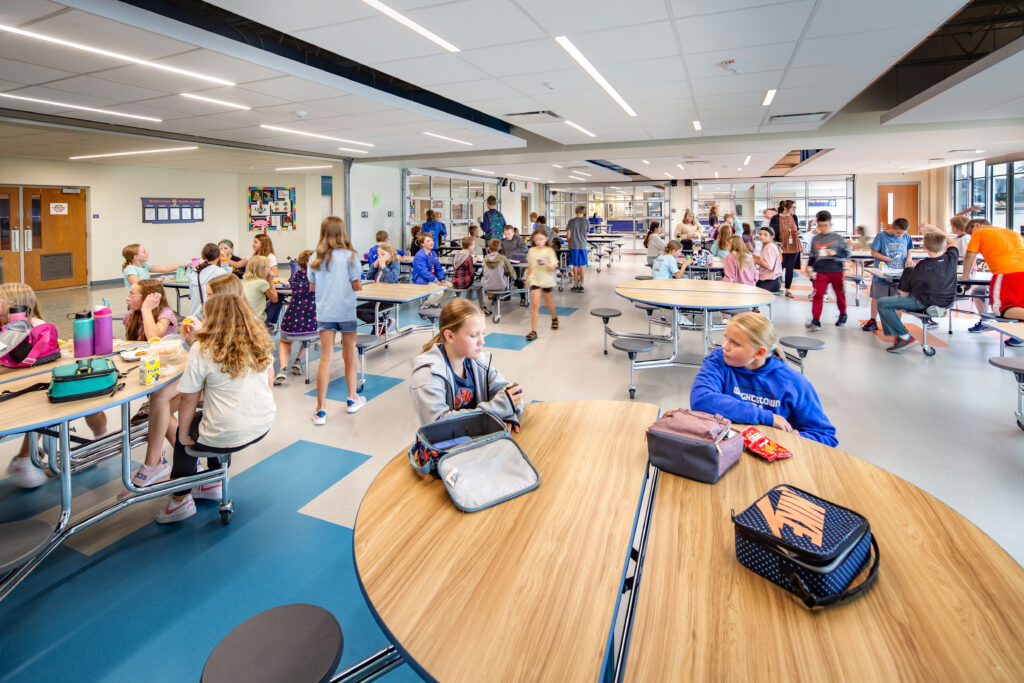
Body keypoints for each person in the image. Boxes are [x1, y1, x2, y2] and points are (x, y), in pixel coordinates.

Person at [155, 294, 276, 523]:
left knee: (189, 436)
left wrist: (182, 436)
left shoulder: (203, 348)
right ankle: (213, 482)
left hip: (229, 430)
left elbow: (189, 399)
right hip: (262, 423)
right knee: (212, 419)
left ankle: (180, 501)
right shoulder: (259, 341)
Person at [1, 283, 108, 488]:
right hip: (16, 384)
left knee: (48, 406)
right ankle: (25, 457)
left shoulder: (31, 328)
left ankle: (101, 440)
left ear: (14, 305)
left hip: (35, 386)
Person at [689, 312, 837, 446]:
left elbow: (825, 435)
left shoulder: (793, 383)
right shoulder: (719, 360)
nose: (725, 346)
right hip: (726, 448)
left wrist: (796, 438)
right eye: (726, 337)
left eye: (735, 343)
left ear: (759, 353)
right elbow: (701, 399)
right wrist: (768, 417)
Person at [410, 298, 524, 429]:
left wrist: (508, 414)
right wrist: (499, 410)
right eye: (474, 335)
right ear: (450, 336)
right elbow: (437, 425)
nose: (482, 341)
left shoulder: (478, 362)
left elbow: (513, 396)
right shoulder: (427, 374)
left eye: (483, 333)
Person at [122, 279, 181, 491]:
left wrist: (147, 309)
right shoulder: (130, 316)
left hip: (170, 376)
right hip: (149, 375)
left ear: (149, 298)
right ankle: (190, 467)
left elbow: (154, 337)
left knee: (160, 415)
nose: (128, 298)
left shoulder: (164, 313)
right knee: (162, 416)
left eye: (133, 294)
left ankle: (157, 464)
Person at [308, 216, 367, 424]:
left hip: (325, 312)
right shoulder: (351, 256)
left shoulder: (315, 257)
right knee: (349, 355)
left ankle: (320, 410)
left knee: (325, 358)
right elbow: (356, 285)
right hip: (346, 312)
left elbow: (313, 287)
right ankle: (352, 399)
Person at [879, 232, 959, 352]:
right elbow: (953, 242)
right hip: (948, 302)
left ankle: (904, 336)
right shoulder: (951, 258)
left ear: (924, 247)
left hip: (925, 302)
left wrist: (908, 273)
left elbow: (905, 294)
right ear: (944, 246)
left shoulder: (922, 266)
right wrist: (932, 229)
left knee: (883, 303)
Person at [962, 218, 1024, 334]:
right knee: (1019, 306)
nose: (971, 237)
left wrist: (965, 276)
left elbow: (970, 256)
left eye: (971, 233)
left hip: (1007, 273)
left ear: (977, 225)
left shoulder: (980, 233)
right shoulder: (1011, 233)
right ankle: (1018, 336)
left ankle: (988, 323)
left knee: (1001, 309)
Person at [861, 217, 914, 331]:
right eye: (897, 232)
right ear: (892, 228)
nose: (899, 235)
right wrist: (886, 258)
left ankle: (897, 324)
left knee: (898, 299)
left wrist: (909, 258)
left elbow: (909, 249)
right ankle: (873, 320)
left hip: (899, 274)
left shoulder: (906, 237)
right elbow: (873, 252)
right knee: (877, 297)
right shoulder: (881, 236)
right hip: (882, 273)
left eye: (902, 233)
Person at [275, 250, 317, 385]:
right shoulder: (318, 278)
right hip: (312, 322)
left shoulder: (295, 276)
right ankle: (298, 360)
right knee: (308, 335)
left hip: (293, 319)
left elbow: (291, 283)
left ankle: (282, 369)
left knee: (285, 341)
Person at [804, 210, 849, 329]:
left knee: (839, 294)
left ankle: (843, 314)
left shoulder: (838, 238)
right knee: (818, 295)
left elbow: (847, 253)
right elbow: (813, 255)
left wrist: (836, 252)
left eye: (825, 225)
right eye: (820, 225)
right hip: (821, 271)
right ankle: (816, 320)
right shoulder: (816, 239)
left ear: (830, 225)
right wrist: (809, 266)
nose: (823, 228)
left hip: (836, 271)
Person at [950, 217, 989, 330]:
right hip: (960, 269)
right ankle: (985, 321)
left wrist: (966, 275)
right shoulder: (960, 238)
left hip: (964, 270)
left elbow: (969, 256)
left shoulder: (967, 238)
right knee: (978, 293)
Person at [524, 228, 559, 341]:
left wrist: (546, 263)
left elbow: (554, 268)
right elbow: (530, 265)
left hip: (547, 280)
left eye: (541, 239)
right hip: (535, 280)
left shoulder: (550, 251)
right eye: (536, 239)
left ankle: (554, 317)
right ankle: (533, 331)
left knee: (548, 302)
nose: (539, 241)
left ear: (546, 239)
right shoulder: (531, 251)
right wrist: (527, 278)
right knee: (535, 304)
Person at [188, 243, 229, 319]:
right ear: (219, 256)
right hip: (211, 316)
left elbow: (191, 294)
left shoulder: (193, 272)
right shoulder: (220, 272)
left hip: (194, 316)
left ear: (202, 257)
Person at [770, 200, 801, 298]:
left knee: (790, 269)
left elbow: (797, 229)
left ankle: (788, 289)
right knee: (779, 267)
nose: (793, 209)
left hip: (793, 245)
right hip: (781, 246)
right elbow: (772, 232)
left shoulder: (794, 217)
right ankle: (776, 287)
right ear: (785, 207)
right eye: (792, 207)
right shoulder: (776, 218)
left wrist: (798, 233)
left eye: (794, 207)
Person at [451, 235, 489, 313]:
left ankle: (468, 305)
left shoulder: (456, 255)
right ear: (470, 246)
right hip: (463, 283)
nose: (474, 246)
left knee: (472, 283)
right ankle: (482, 306)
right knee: (480, 285)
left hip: (455, 281)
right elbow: (471, 272)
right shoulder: (468, 257)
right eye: (474, 245)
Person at [241, 255, 279, 323]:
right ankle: (270, 323)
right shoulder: (262, 283)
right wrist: (270, 280)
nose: (270, 269)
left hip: (244, 319)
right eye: (268, 267)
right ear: (262, 269)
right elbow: (275, 299)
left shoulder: (244, 282)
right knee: (279, 298)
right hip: (257, 321)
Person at [566, 205, 590, 293]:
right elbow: (587, 233)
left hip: (573, 246)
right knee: (582, 265)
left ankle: (575, 284)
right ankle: (582, 285)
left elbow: (568, 235)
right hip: (582, 245)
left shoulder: (571, 221)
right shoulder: (586, 222)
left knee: (575, 265)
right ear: (584, 212)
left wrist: (570, 242)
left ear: (576, 211)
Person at [753, 226, 782, 292]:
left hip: (769, 282)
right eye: (760, 234)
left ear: (772, 237)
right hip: (773, 281)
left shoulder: (769, 247)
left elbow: (768, 265)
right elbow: (764, 260)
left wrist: (753, 259)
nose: (762, 236)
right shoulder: (769, 245)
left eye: (765, 235)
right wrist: (752, 256)